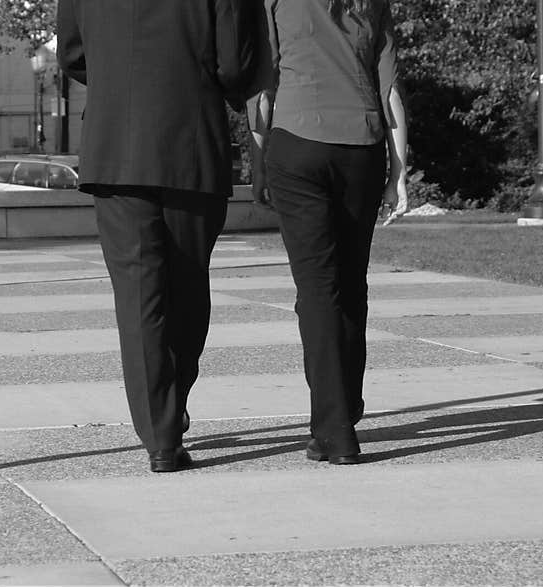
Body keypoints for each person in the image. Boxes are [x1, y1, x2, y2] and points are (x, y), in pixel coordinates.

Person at [56, 0, 261, 472]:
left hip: (114, 143)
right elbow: (234, 63)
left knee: (138, 298)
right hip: (189, 142)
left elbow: (71, 55)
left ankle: (161, 434)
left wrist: (121, 80)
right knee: (188, 289)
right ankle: (171, 404)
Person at [248, 0, 408, 464]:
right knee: (351, 281)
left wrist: (258, 164)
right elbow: (391, 90)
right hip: (361, 146)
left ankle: (334, 428)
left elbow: (263, 87)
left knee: (318, 288)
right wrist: (399, 173)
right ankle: (346, 407)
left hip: (297, 140)